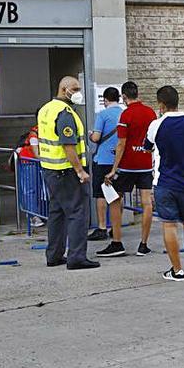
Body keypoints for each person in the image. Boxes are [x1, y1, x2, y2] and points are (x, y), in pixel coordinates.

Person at [37, 76, 99, 270]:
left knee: (57, 213)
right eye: (75, 88)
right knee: (78, 212)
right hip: (67, 172)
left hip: (51, 170)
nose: (78, 92)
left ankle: (54, 255)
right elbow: (68, 146)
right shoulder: (65, 113)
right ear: (64, 90)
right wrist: (80, 171)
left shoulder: (46, 109)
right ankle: (77, 257)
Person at [143, 86, 184, 281]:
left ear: (161, 104)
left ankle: (176, 269)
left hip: (164, 182)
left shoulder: (156, 125)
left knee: (169, 225)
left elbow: (147, 148)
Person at [100, 81, 157, 257]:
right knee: (146, 202)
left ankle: (117, 242)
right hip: (145, 164)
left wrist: (113, 169)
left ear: (124, 97)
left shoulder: (125, 115)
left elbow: (121, 143)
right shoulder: (150, 113)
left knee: (115, 201)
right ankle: (143, 245)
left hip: (127, 166)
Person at [88, 87, 123, 242]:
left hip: (102, 159)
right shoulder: (124, 113)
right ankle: (115, 227)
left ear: (105, 100)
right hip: (119, 160)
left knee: (101, 194)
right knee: (117, 194)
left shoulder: (102, 115)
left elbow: (96, 138)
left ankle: (102, 226)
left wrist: (90, 135)